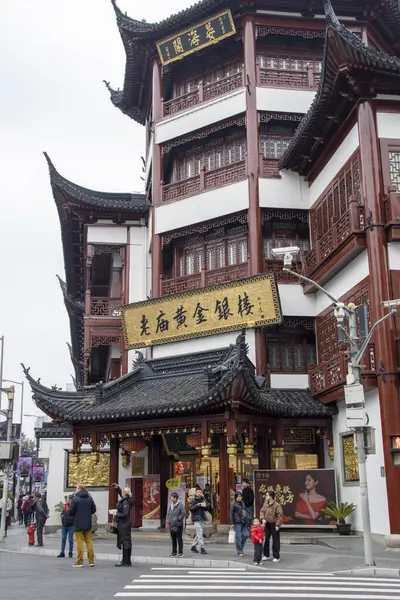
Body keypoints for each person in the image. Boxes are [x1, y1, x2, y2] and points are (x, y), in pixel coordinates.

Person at [67, 484, 96, 567]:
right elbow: (94, 509)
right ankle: (91, 561)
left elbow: (70, 512)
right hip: (88, 522)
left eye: (76, 488)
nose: (75, 490)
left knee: (79, 542)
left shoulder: (75, 499)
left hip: (78, 523)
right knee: (89, 541)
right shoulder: (89, 498)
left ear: (79, 489)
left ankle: (80, 561)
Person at [111, 483, 134, 567]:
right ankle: (127, 560)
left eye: (123, 492)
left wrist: (116, 514)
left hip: (124, 524)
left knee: (125, 541)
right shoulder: (127, 499)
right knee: (126, 541)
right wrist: (118, 488)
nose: (122, 494)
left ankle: (125, 561)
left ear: (125, 493)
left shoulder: (126, 502)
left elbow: (125, 514)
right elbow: (122, 495)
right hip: (124, 524)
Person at [260, 490, 283, 563]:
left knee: (275, 540)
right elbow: (261, 511)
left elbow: (280, 516)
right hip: (267, 524)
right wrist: (263, 518)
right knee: (266, 539)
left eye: (267, 495)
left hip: (274, 524)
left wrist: (277, 525)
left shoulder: (277, 505)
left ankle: (276, 556)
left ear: (271, 496)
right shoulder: (265, 503)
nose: (266, 496)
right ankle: (266, 555)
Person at [189, 488, 208, 555]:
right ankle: (202, 547)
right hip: (196, 518)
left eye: (200, 492)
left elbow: (207, 508)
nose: (199, 493)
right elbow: (191, 508)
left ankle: (193, 546)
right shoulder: (193, 500)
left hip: (202, 517)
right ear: (195, 493)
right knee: (200, 532)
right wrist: (197, 505)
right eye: (198, 492)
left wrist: (204, 503)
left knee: (199, 533)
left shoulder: (203, 499)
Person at [229, 492, 248, 557]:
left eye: (240, 496)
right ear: (235, 497)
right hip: (237, 522)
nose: (239, 498)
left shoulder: (243, 503)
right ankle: (240, 551)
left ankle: (240, 548)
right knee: (238, 537)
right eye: (238, 497)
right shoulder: (233, 504)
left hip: (244, 521)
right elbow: (231, 514)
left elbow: (245, 511)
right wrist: (231, 523)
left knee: (245, 535)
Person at [166, 491, 185, 557]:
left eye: (172, 497)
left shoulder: (180, 505)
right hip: (172, 524)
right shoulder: (171, 505)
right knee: (173, 539)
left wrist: (178, 519)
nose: (171, 498)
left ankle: (180, 552)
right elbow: (168, 513)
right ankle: (174, 552)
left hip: (178, 525)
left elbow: (183, 513)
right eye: (170, 497)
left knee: (179, 538)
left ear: (175, 498)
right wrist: (168, 520)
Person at [58, 494, 74, 558]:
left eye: (68, 499)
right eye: (67, 499)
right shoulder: (66, 506)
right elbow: (63, 512)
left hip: (71, 525)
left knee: (70, 539)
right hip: (64, 525)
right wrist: (62, 516)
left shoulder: (73, 506)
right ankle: (62, 552)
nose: (67, 500)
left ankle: (70, 552)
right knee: (63, 538)